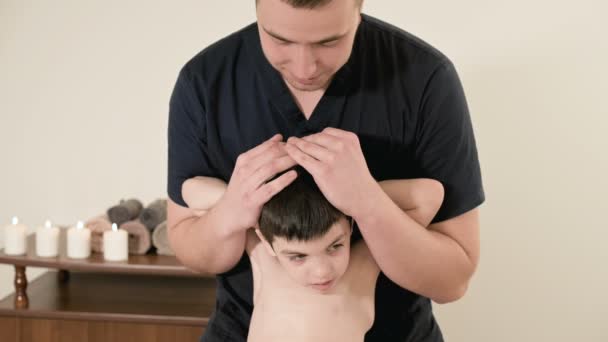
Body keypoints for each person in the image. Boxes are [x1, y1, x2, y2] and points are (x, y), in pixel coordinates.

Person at [167, 0, 485, 340]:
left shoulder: (425, 79)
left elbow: (452, 282)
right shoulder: (204, 82)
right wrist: (231, 212)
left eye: (329, 42)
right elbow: (190, 245)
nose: (304, 68)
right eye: (280, 40)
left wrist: (367, 203)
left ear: (358, 9)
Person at [180, 168, 444, 342]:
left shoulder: (366, 259)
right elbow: (190, 190)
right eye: (298, 257)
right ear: (267, 240)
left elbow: (429, 195)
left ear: (350, 228)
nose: (322, 271)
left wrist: (359, 196)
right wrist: (260, 204)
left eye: (335, 247)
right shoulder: (264, 252)